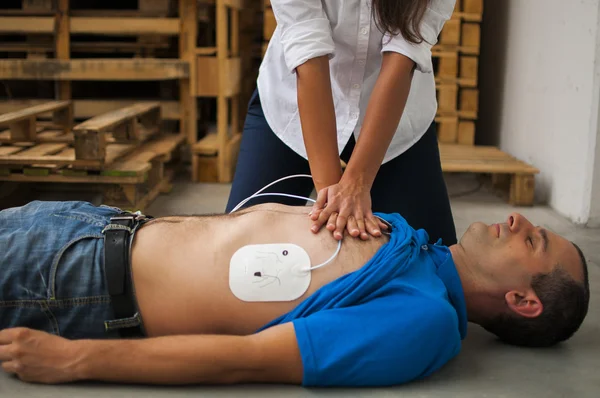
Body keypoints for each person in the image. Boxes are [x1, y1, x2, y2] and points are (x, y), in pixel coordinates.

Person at [0, 200, 590, 386]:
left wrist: (76, 359)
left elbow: (247, 361)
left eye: (533, 240)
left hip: (72, 285)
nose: (517, 219)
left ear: (525, 301)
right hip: (90, 225)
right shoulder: (414, 248)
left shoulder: (425, 318)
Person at [226, 0, 459, 246]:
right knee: (238, 253)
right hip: (293, 109)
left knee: (436, 260)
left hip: (394, 121)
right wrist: (333, 205)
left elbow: (403, 56)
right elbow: (308, 48)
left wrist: (357, 184)